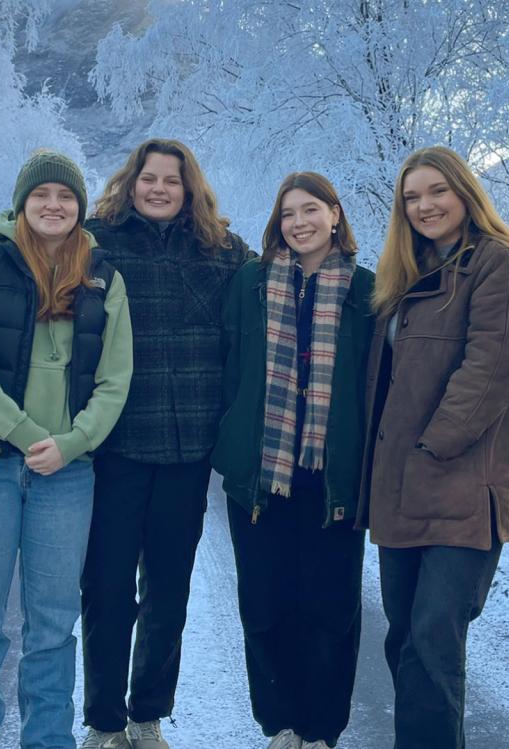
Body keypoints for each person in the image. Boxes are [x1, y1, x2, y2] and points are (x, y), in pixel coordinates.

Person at [0, 139, 251, 749]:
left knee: (167, 590)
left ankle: (147, 715)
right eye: (149, 178)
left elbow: (275, 276)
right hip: (111, 447)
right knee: (104, 589)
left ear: (190, 189)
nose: (160, 189)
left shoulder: (222, 252)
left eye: (173, 180)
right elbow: (31, 237)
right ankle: (104, 722)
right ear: (129, 184)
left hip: (186, 444)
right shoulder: (101, 241)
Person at [0, 150, 132, 749]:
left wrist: (71, 445)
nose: (55, 205)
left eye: (66, 196)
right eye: (42, 194)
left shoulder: (104, 277)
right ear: (23, 203)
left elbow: (115, 379)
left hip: (67, 478)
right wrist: (28, 438)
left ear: (80, 207)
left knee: (53, 627)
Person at [356, 146, 509, 749]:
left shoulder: (497, 262)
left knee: (435, 638)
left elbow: (492, 368)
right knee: (404, 635)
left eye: (436, 191)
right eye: (411, 197)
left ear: (464, 193)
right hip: (402, 488)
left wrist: (431, 447)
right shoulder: (405, 273)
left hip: (462, 483)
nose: (424, 206)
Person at [213, 173, 374, 749]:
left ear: (335, 215)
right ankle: (278, 725)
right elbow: (228, 365)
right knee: (264, 602)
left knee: (330, 610)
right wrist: (232, 437)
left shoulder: (366, 291)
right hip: (262, 476)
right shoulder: (251, 284)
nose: (299, 223)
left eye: (311, 210)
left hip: (333, 479)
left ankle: (321, 730)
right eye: (288, 214)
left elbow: (375, 386)